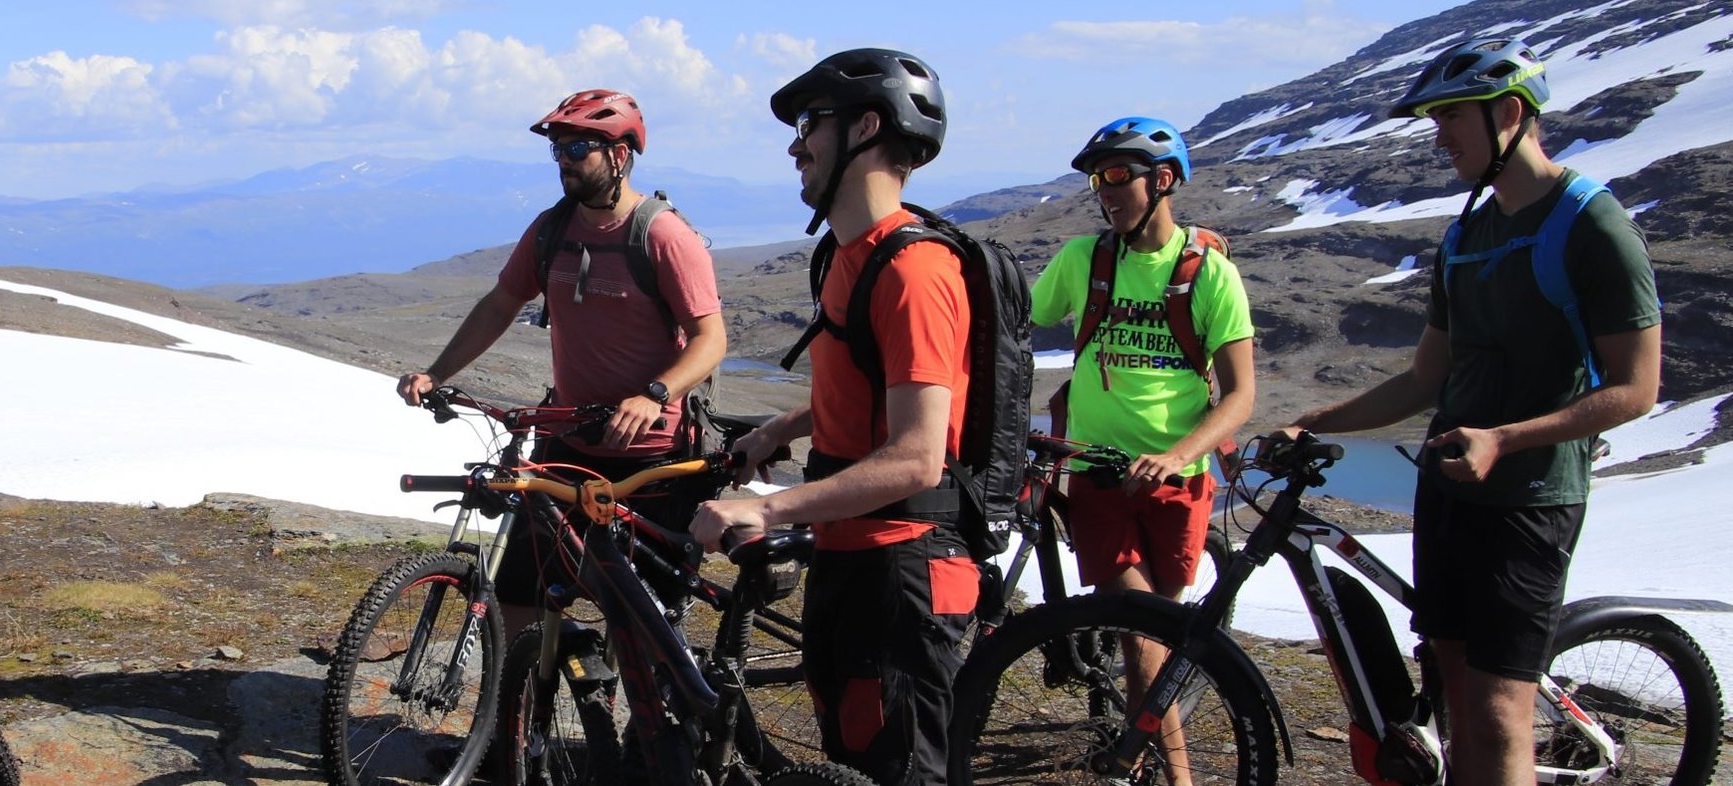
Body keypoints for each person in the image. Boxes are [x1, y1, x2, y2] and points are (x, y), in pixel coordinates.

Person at [1286, 39, 1659, 786]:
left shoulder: (1592, 225)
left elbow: (1634, 388)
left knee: (1495, 717)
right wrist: (1311, 423)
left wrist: (1504, 439)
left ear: (1510, 114)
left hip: (1528, 500)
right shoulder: (1466, 233)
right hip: (1449, 491)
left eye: (1451, 116)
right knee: (1454, 704)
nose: (1437, 136)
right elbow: (1427, 377)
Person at [691, 48, 972, 785]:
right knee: (848, 755)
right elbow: (867, 390)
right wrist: (779, 432)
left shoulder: (914, 272)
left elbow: (917, 456)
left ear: (868, 126)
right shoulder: (851, 254)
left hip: (901, 564)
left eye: (811, 122)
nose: (794, 144)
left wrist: (769, 511)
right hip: (851, 552)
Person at [394, 88, 728, 645]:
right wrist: (438, 373)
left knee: (640, 621)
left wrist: (654, 394)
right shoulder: (553, 230)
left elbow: (710, 338)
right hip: (568, 445)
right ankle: (510, 725)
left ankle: (636, 731)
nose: (564, 164)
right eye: (559, 152)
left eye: (578, 151)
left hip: (653, 459)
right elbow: (501, 303)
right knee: (519, 592)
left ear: (620, 156)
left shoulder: (664, 236)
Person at [1030, 116, 1256, 785]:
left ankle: (1143, 756)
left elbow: (1239, 395)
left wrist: (1176, 453)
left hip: (1177, 480)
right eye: (1097, 177)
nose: (1102, 190)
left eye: (1115, 175)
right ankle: (1172, 778)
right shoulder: (1083, 260)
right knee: (1140, 637)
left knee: (1159, 633)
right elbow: (1024, 316)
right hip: (1099, 476)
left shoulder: (1209, 274)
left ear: (1162, 181)